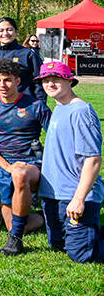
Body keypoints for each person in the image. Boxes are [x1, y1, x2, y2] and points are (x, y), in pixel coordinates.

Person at [0, 58, 49, 255]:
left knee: (20, 175)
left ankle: (16, 240)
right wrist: (6, 166)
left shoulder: (36, 105)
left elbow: (56, 137)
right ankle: (43, 216)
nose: (2, 85)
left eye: (7, 80)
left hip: (30, 162)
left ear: (17, 81)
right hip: (3, 160)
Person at [38, 62, 104, 263]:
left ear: (69, 81)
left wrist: (79, 198)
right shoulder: (58, 108)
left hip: (74, 195)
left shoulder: (81, 111)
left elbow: (93, 159)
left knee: (82, 255)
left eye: (56, 79)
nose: (50, 84)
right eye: (46, 80)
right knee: (58, 245)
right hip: (54, 195)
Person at [0, 17, 45, 101]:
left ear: (16, 31)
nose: (5, 33)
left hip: (22, 106)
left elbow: (38, 83)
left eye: (9, 30)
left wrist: (39, 105)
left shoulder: (28, 55)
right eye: (1, 30)